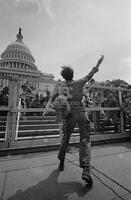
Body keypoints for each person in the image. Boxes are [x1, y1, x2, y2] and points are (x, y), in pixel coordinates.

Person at [52, 55, 104, 185]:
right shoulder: (79, 82)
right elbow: (89, 75)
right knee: (85, 139)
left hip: (69, 114)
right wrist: (97, 64)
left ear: (64, 76)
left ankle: (62, 161)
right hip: (81, 112)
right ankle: (86, 169)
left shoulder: (61, 87)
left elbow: (54, 98)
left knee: (66, 138)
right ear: (72, 74)